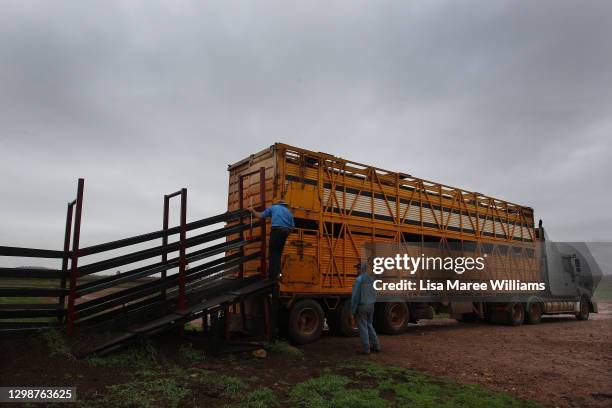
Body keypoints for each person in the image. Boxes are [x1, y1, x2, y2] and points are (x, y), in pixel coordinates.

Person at [248, 199, 294, 280]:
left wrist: (252, 210)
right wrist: (286, 235)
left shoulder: (273, 207)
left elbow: (261, 215)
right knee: (278, 253)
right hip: (285, 232)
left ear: (278, 204)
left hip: (276, 231)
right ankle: (278, 274)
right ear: (285, 205)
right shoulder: (289, 212)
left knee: (272, 253)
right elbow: (292, 227)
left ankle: (272, 276)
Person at [351, 261, 380, 355]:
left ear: (361, 269)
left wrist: (352, 310)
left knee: (363, 327)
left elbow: (355, 297)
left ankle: (366, 348)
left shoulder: (359, 280)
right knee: (369, 325)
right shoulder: (372, 279)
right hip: (371, 305)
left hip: (362, 306)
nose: (356, 270)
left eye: (357, 268)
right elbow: (376, 292)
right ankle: (376, 345)